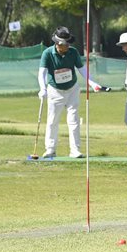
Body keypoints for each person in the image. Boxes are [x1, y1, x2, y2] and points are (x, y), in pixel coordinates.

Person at [37, 26, 107, 159]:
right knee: (52, 121)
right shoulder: (47, 53)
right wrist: (42, 88)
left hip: (72, 90)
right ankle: (50, 149)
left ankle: (75, 150)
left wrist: (92, 83)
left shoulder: (73, 52)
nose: (67, 46)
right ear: (57, 44)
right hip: (55, 91)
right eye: (64, 44)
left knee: (73, 120)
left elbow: (82, 70)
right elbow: (42, 73)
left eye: (68, 43)